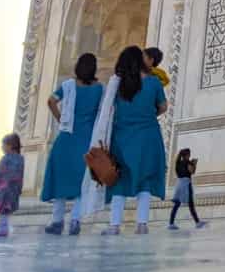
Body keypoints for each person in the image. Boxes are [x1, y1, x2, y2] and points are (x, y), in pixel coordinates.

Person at [93, 45, 168, 234]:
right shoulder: (154, 82)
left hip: (122, 137)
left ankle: (114, 225)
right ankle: (142, 224)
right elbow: (163, 107)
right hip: (148, 135)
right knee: (145, 181)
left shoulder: (118, 84)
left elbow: (108, 109)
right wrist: (149, 114)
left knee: (120, 179)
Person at [41, 52, 102, 235]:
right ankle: (75, 219)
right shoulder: (99, 88)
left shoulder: (67, 86)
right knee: (81, 183)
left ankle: (57, 220)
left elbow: (51, 101)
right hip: (87, 140)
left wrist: (61, 118)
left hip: (67, 138)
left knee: (60, 180)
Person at [169, 148, 206, 228]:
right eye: (189, 154)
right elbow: (192, 171)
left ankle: (171, 223)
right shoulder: (187, 162)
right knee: (191, 204)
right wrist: (194, 164)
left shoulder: (178, 163)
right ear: (187, 155)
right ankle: (197, 222)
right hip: (186, 184)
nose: (190, 155)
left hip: (179, 184)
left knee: (177, 204)